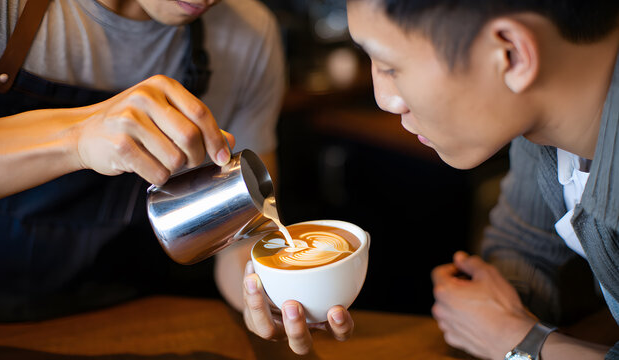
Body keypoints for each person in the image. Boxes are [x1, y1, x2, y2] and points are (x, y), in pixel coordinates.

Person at [243, 0, 619, 358]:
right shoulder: (542, 135)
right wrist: (488, 314)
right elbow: (521, 243)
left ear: (513, 55)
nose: (385, 99)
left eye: (390, 66)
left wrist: (521, 344)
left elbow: (512, 335)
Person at [0, 0, 286, 321]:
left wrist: (265, 297)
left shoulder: (249, 34)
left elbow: (243, 234)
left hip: (132, 310)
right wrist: (76, 139)